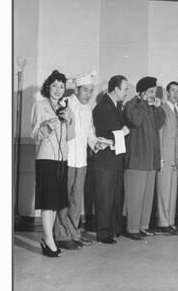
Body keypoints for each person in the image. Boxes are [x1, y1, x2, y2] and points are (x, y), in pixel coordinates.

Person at [54, 71, 104, 250]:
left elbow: (90, 133)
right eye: (85, 91)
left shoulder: (88, 108)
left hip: (81, 161)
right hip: (66, 160)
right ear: (76, 89)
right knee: (64, 200)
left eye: (91, 91)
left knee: (76, 200)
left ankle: (73, 233)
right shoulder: (66, 103)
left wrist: (96, 144)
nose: (89, 95)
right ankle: (61, 235)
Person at [30, 70, 75, 257]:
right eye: (55, 85)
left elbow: (71, 136)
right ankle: (49, 240)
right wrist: (47, 127)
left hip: (62, 159)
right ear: (48, 87)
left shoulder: (66, 107)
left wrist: (68, 121)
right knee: (48, 202)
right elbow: (34, 135)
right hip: (46, 159)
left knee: (56, 202)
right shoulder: (40, 106)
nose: (58, 90)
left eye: (62, 86)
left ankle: (50, 239)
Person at [123, 76, 166, 240]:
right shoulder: (132, 105)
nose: (153, 95)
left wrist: (158, 108)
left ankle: (143, 226)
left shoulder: (150, 106)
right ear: (141, 93)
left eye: (154, 92)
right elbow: (135, 120)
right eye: (150, 92)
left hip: (151, 159)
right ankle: (132, 228)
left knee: (147, 196)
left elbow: (159, 123)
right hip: (136, 159)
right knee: (136, 195)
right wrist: (144, 103)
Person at [92, 75, 130, 244]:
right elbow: (102, 135)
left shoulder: (115, 106)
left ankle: (114, 228)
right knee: (105, 196)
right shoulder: (102, 107)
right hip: (105, 160)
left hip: (115, 158)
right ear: (115, 89)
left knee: (114, 195)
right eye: (125, 89)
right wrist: (123, 133)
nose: (126, 92)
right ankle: (103, 233)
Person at [156, 81, 178, 235]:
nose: (176, 94)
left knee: (172, 192)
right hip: (165, 157)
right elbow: (159, 134)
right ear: (167, 92)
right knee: (164, 191)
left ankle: (171, 221)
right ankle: (163, 222)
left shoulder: (175, 110)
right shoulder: (162, 109)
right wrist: (160, 157)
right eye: (173, 90)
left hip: (174, 157)